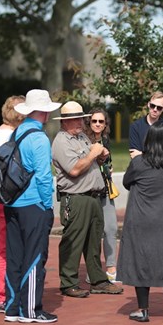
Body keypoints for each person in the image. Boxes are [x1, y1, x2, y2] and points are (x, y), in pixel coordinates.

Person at [52, 101, 123, 299]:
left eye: (81, 118)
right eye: (75, 119)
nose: (80, 122)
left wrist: (100, 156)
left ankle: (99, 280)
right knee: (73, 241)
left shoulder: (82, 136)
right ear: (65, 122)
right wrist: (93, 153)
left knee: (93, 242)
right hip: (76, 198)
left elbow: (91, 160)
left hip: (94, 195)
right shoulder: (61, 141)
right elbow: (74, 169)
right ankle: (69, 282)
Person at [3, 89, 61, 324]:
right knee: (35, 257)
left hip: (12, 202)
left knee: (15, 256)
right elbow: (44, 177)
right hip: (34, 204)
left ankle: (12, 307)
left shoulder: (16, 133)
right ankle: (31, 310)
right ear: (44, 112)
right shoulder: (38, 138)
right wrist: (48, 206)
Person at [117, 120, 163, 322]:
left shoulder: (139, 163)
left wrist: (138, 158)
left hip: (141, 219)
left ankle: (143, 309)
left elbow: (127, 182)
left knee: (140, 261)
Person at [0, 95, 25, 314]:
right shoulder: (10, 136)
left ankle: (4, 293)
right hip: (6, 199)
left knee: (6, 248)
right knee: (5, 251)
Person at [84, 108, 118, 282]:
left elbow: (108, 164)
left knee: (111, 228)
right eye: (94, 121)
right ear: (89, 123)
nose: (97, 124)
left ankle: (111, 267)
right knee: (94, 231)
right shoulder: (83, 141)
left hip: (106, 189)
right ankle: (94, 270)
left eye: (101, 121)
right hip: (90, 191)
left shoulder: (105, 140)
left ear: (106, 124)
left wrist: (108, 168)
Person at [128, 91, 163, 159]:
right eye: (152, 106)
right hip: (141, 168)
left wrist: (142, 154)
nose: (155, 109)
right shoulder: (135, 126)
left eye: (159, 108)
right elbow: (134, 156)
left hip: (162, 168)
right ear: (148, 104)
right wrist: (157, 155)